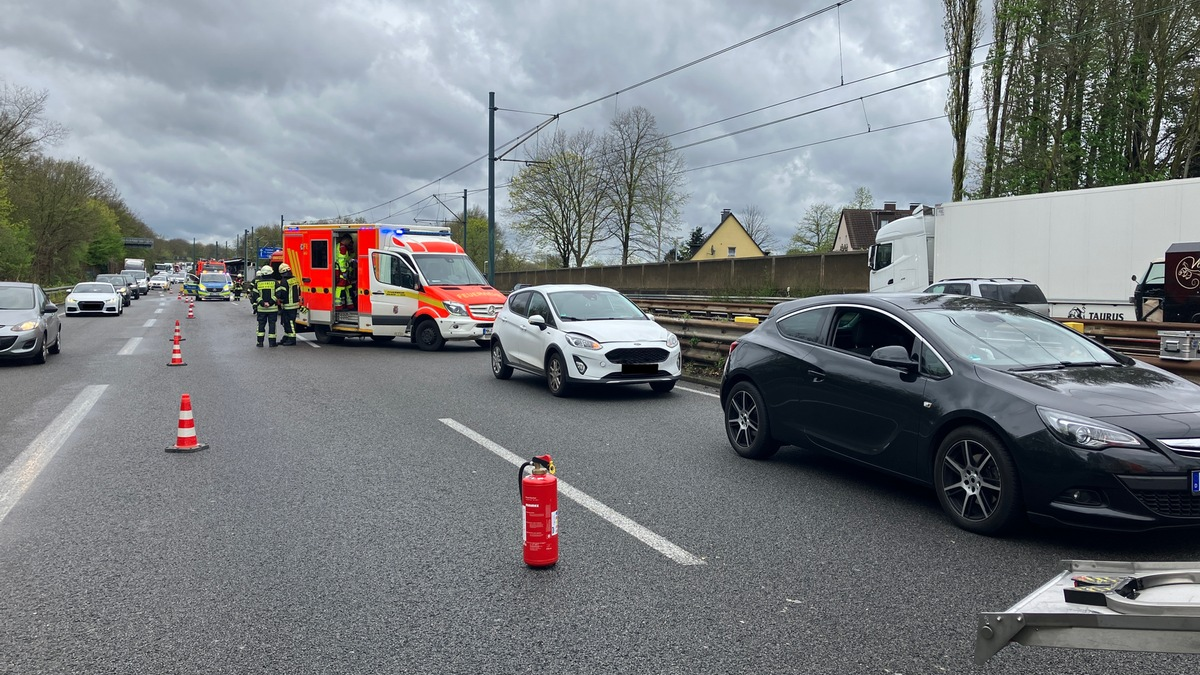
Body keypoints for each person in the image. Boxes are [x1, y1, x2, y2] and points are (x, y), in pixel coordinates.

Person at [254, 264, 282, 347]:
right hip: (272, 309)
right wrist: (270, 303)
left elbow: (255, 295)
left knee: (261, 326)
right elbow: (278, 294)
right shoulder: (275, 282)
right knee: (272, 325)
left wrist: (263, 303)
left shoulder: (258, 283)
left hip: (261, 309)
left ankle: (260, 343)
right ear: (271, 273)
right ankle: (272, 343)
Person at [278, 262, 302, 345]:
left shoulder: (284, 281)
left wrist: (280, 299)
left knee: (289, 322)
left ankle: (292, 339)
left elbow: (283, 293)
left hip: (288, 305)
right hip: (294, 304)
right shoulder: (294, 279)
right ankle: (286, 337)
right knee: (287, 322)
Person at [334, 235, 353, 309]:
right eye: (349, 241)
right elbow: (341, 260)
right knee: (340, 286)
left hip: (339, 269)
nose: (349, 243)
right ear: (347, 240)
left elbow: (345, 258)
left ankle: (349, 304)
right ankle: (338, 305)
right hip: (341, 271)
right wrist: (344, 271)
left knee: (348, 286)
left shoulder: (338, 245)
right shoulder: (343, 247)